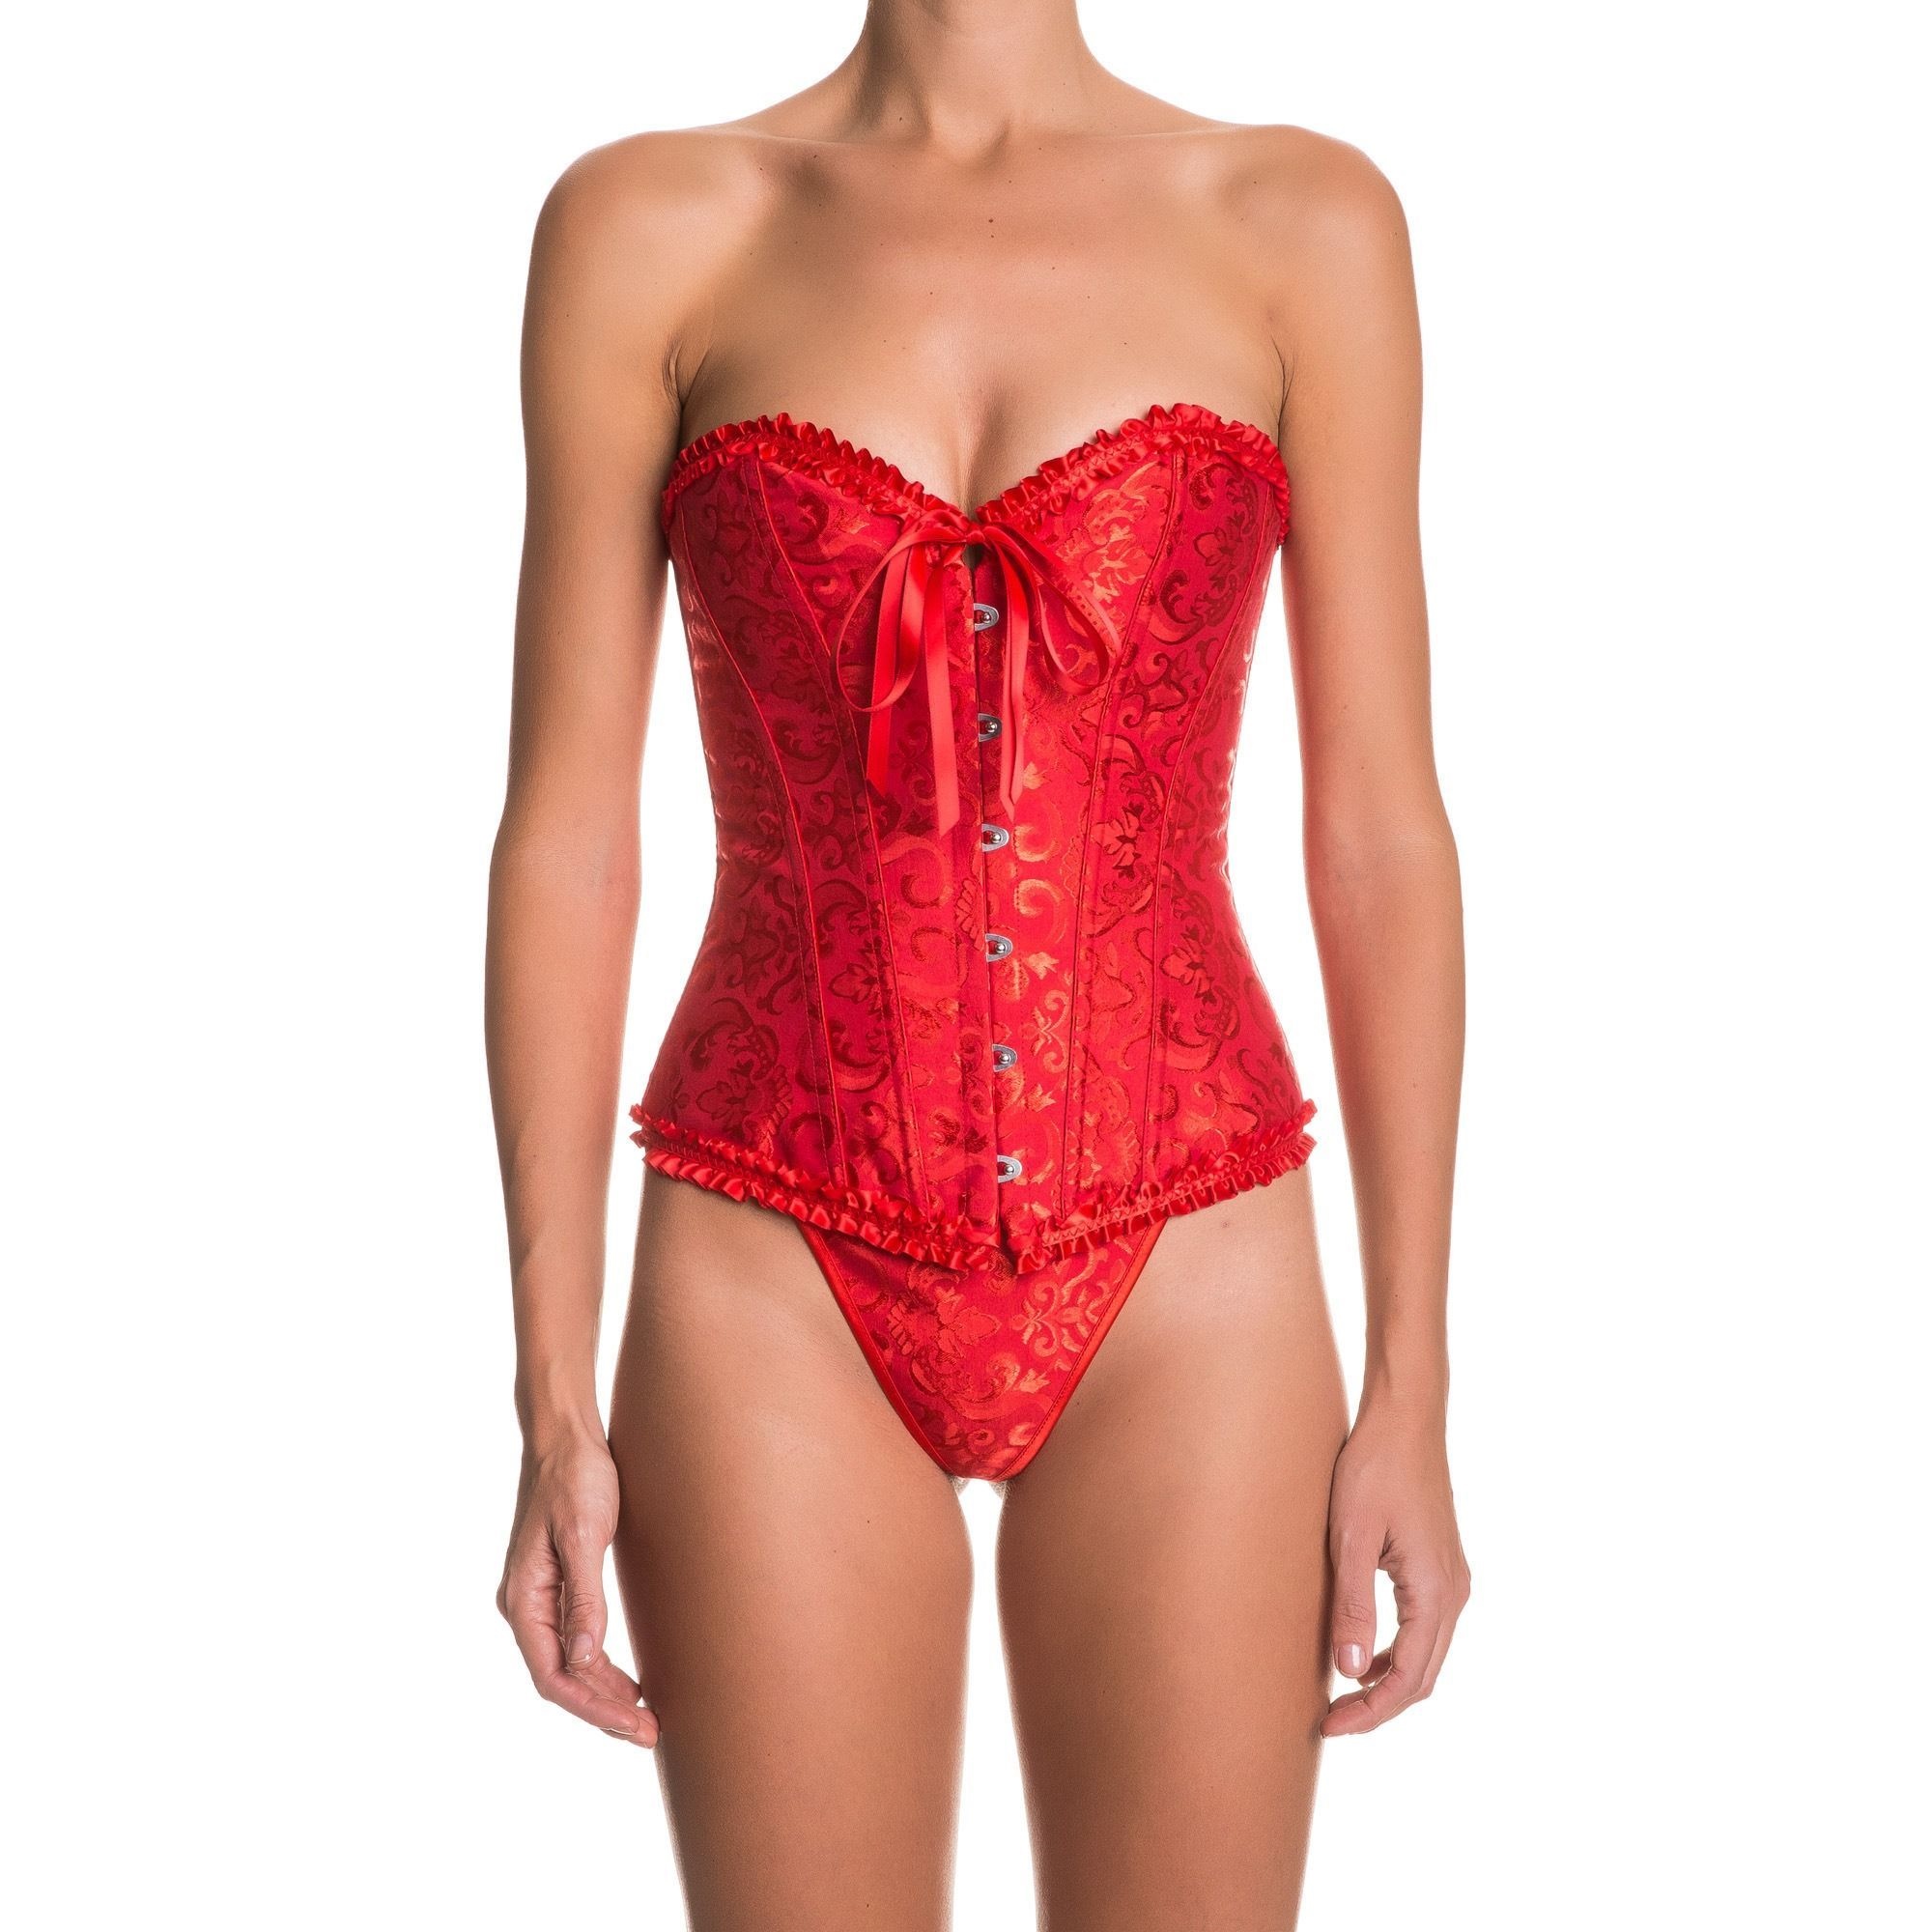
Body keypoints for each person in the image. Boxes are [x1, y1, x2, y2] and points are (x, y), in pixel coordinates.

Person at [486, 3, 1469, 1923]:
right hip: (770, 1253)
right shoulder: (646, 224)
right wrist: (548, 1385)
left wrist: (1413, 1379)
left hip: (1189, 1245)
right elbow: (568, 836)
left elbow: (1377, 831)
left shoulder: (1302, 221)